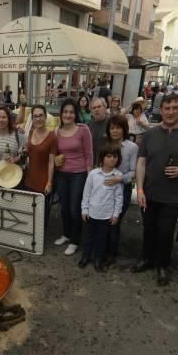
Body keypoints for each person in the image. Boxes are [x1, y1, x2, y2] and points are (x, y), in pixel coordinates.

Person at [133, 93, 178, 285]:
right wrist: (139, 190)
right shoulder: (150, 134)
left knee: (165, 232)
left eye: (175, 108)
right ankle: (147, 259)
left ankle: (163, 265)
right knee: (149, 229)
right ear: (161, 110)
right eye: (167, 108)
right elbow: (141, 162)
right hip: (149, 192)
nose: (170, 112)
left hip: (173, 194)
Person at [53, 98, 94, 257]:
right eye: (65, 112)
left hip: (79, 174)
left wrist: (90, 176)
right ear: (61, 114)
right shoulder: (57, 132)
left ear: (75, 114)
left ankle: (75, 241)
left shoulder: (83, 129)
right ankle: (66, 234)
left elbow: (89, 154)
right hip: (62, 174)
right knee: (64, 207)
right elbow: (55, 154)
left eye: (71, 112)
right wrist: (56, 160)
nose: (68, 115)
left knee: (74, 208)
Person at [79, 144, 124, 272]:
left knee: (101, 239)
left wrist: (116, 214)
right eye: (108, 156)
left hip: (106, 216)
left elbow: (119, 198)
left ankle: (97, 259)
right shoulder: (93, 174)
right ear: (102, 158)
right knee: (88, 237)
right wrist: (84, 209)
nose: (112, 159)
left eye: (115, 156)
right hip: (91, 214)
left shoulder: (117, 176)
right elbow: (86, 193)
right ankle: (85, 256)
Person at [104, 115, 138, 266]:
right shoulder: (105, 144)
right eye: (112, 128)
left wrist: (121, 178)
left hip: (122, 188)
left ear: (124, 129)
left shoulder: (132, 147)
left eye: (118, 127)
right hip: (105, 188)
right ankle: (102, 249)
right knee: (104, 218)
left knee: (114, 220)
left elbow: (134, 171)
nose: (115, 131)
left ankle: (112, 252)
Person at [23, 105, 57, 224]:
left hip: (43, 181)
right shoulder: (31, 132)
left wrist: (49, 182)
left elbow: (51, 162)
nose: (38, 119)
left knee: (41, 216)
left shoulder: (52, 137)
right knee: (29, 213)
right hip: (29, 178)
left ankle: (39, 241)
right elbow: (29, 152)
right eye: (35, 116)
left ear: (45, 116)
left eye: (41, 115)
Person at [88, 97, 109, 166]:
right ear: (91, 111)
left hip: (106, 164)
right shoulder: (88, 125)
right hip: (91, 163)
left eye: (99, 107)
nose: (96, 109)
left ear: (105, 108)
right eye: (94, 108)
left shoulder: (112, 123)